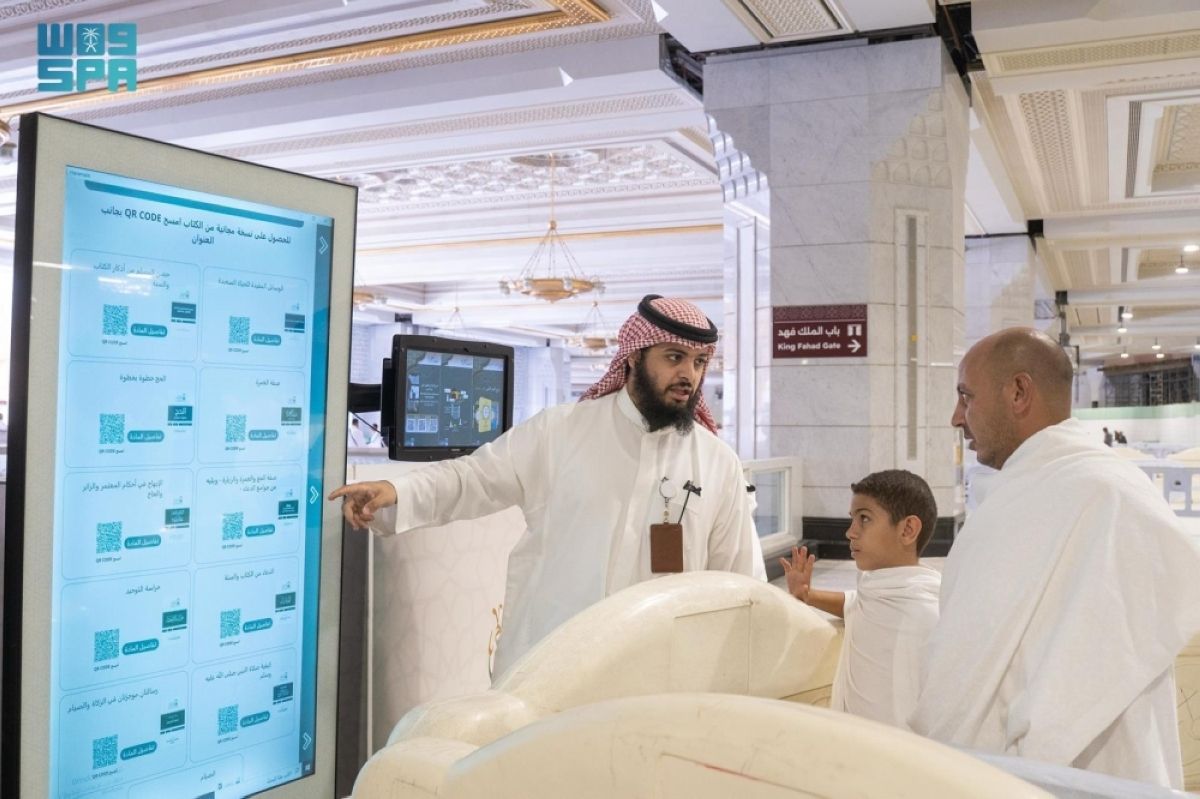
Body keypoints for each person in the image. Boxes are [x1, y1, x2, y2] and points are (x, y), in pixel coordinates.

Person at [329, 295, 765, 675]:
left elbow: (740, 579)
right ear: (634, 356)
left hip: (659, 675)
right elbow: (474, 477)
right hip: (550, 665)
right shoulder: (561, 431)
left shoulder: (718, 463)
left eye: (699, 362)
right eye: (674, 357)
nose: (689, 374)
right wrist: (398, 492)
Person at [909, 327, 1200, 788]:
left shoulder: (1104, 495)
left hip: (1081, 776)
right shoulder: (1068, 489)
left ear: (1018, 392)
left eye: (966, 396)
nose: (956, 417)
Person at [780, 470, 940, 728]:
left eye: (864, 518)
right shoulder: (878, 589)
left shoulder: (926, 612)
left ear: (908, 529)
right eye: (852, 519)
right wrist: (807, 595)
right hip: (855, 740)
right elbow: (854, 602)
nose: (850, 533)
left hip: (900, 746)